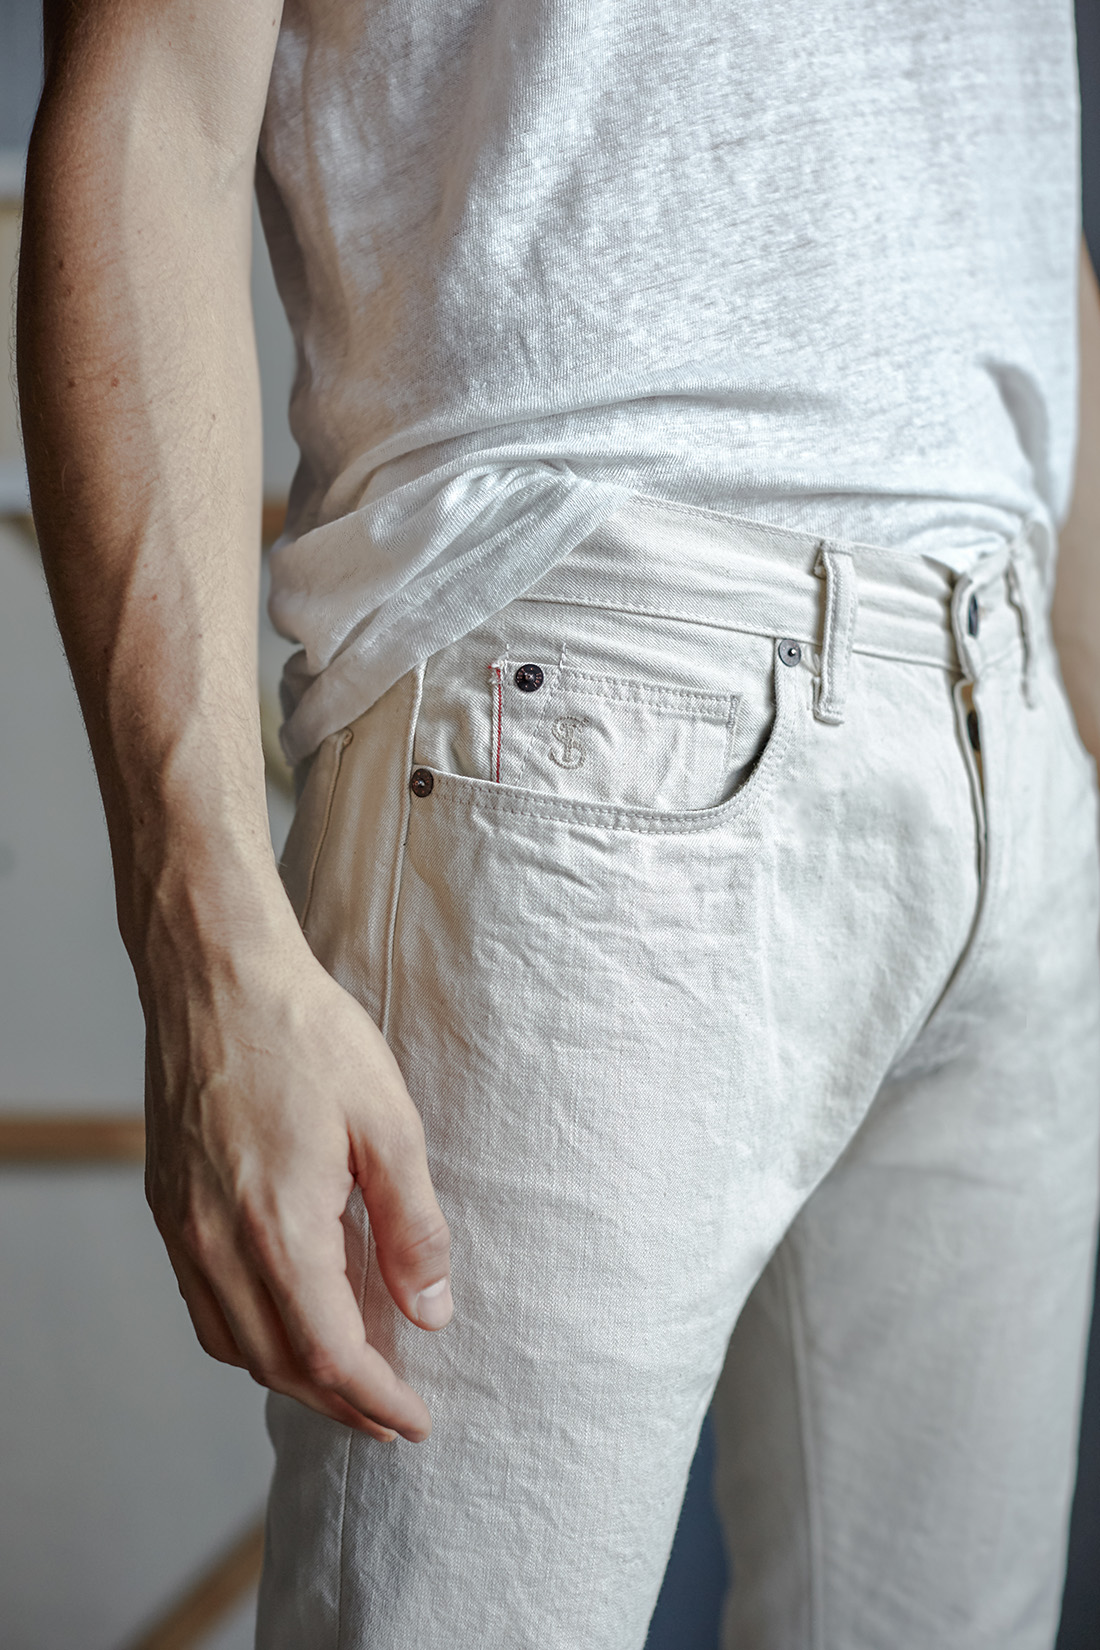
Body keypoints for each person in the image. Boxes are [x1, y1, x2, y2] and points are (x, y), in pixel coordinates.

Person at [16, 0, 1100, 1644]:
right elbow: (155, 103)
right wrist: (205, 936)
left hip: (1011, 725)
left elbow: (984, 180)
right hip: (585, 723)